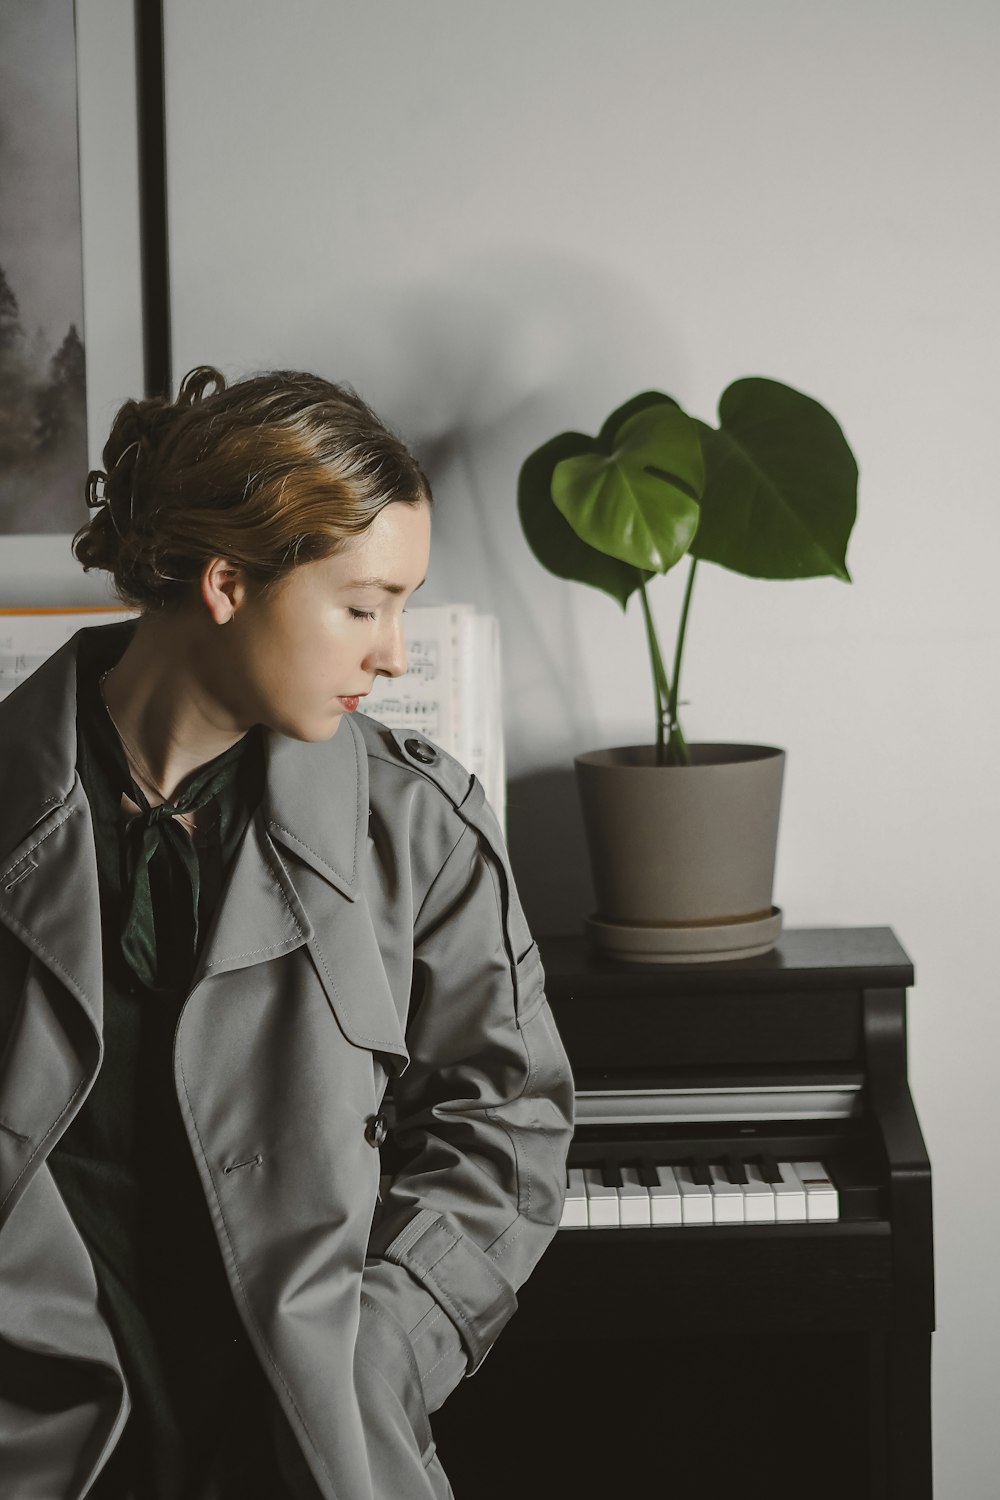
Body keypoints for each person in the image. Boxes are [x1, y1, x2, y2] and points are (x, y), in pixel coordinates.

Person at [0, 366, 574, 1499]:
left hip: (308, 1452)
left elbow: (506, 1126)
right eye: (363, 606)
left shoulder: (424, 827)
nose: (393, 652)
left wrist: (379, 1351)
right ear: (226, 583)